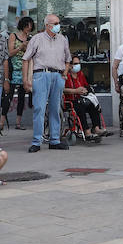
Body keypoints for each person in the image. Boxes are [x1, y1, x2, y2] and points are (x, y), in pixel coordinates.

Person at [23, 13, 71, 153]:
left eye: (58, 23)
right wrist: (25, 79)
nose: (58, 26)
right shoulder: (37, 39)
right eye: (55, 23)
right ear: (47, 25)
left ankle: (55, 140)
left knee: (55, 108)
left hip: (57, 75)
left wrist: (65, 74)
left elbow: (68, 59)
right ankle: (37, 141)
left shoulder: (63, 39)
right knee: (39, 108)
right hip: (41, 74)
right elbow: (26, 59)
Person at [64, 53, 107, 140]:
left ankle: (96, 128)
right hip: (71, 100)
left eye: (78, 63)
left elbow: (86, 85)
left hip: (82, 98)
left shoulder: (80, 74)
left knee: (93, 105)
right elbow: (62, 89)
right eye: (75, 64)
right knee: (80, 106)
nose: (78, 66)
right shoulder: (65, 76)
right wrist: (75, 91)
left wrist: (85, 90)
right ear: (70, 65)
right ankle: (86, 131)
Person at [3, 16, 35, 131]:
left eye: (31, 26)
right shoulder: (13, 36)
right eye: (27, 26)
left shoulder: (31, 38)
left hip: (25, 71)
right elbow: (9, 53)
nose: (29, 28)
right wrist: (20, 47)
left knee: (22, 97)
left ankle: (18, 122)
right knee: (9, 96)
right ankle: (2, 121)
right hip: (13, 70)